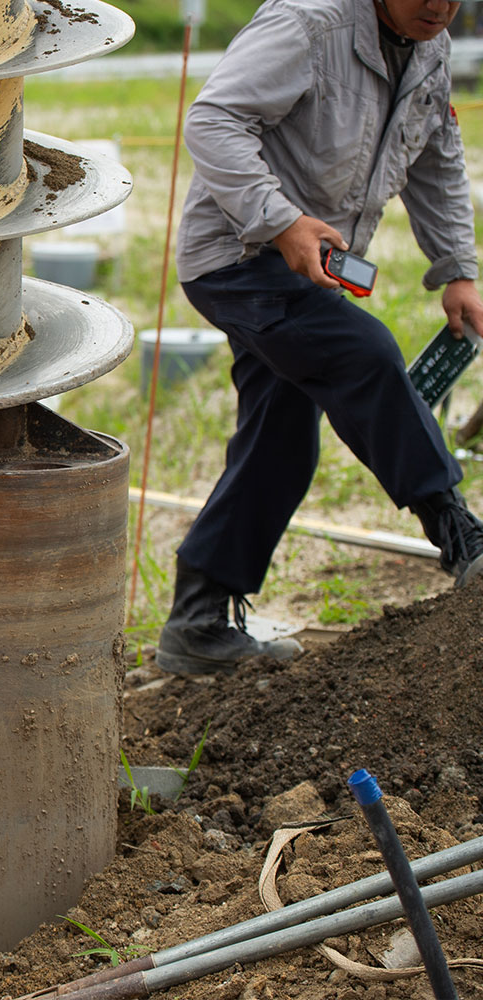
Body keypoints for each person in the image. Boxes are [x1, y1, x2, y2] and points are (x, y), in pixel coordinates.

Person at [156, 0, 483, 676]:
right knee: (363, 354)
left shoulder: (430, 47)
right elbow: (214, 119)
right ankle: (459, 535)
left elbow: (438, 160)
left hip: (312, 269)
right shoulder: (308, 24)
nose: (439, 6)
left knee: (280, 443)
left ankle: (197, 621)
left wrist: (458, 272)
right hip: (238, 258)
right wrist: (279, 220)